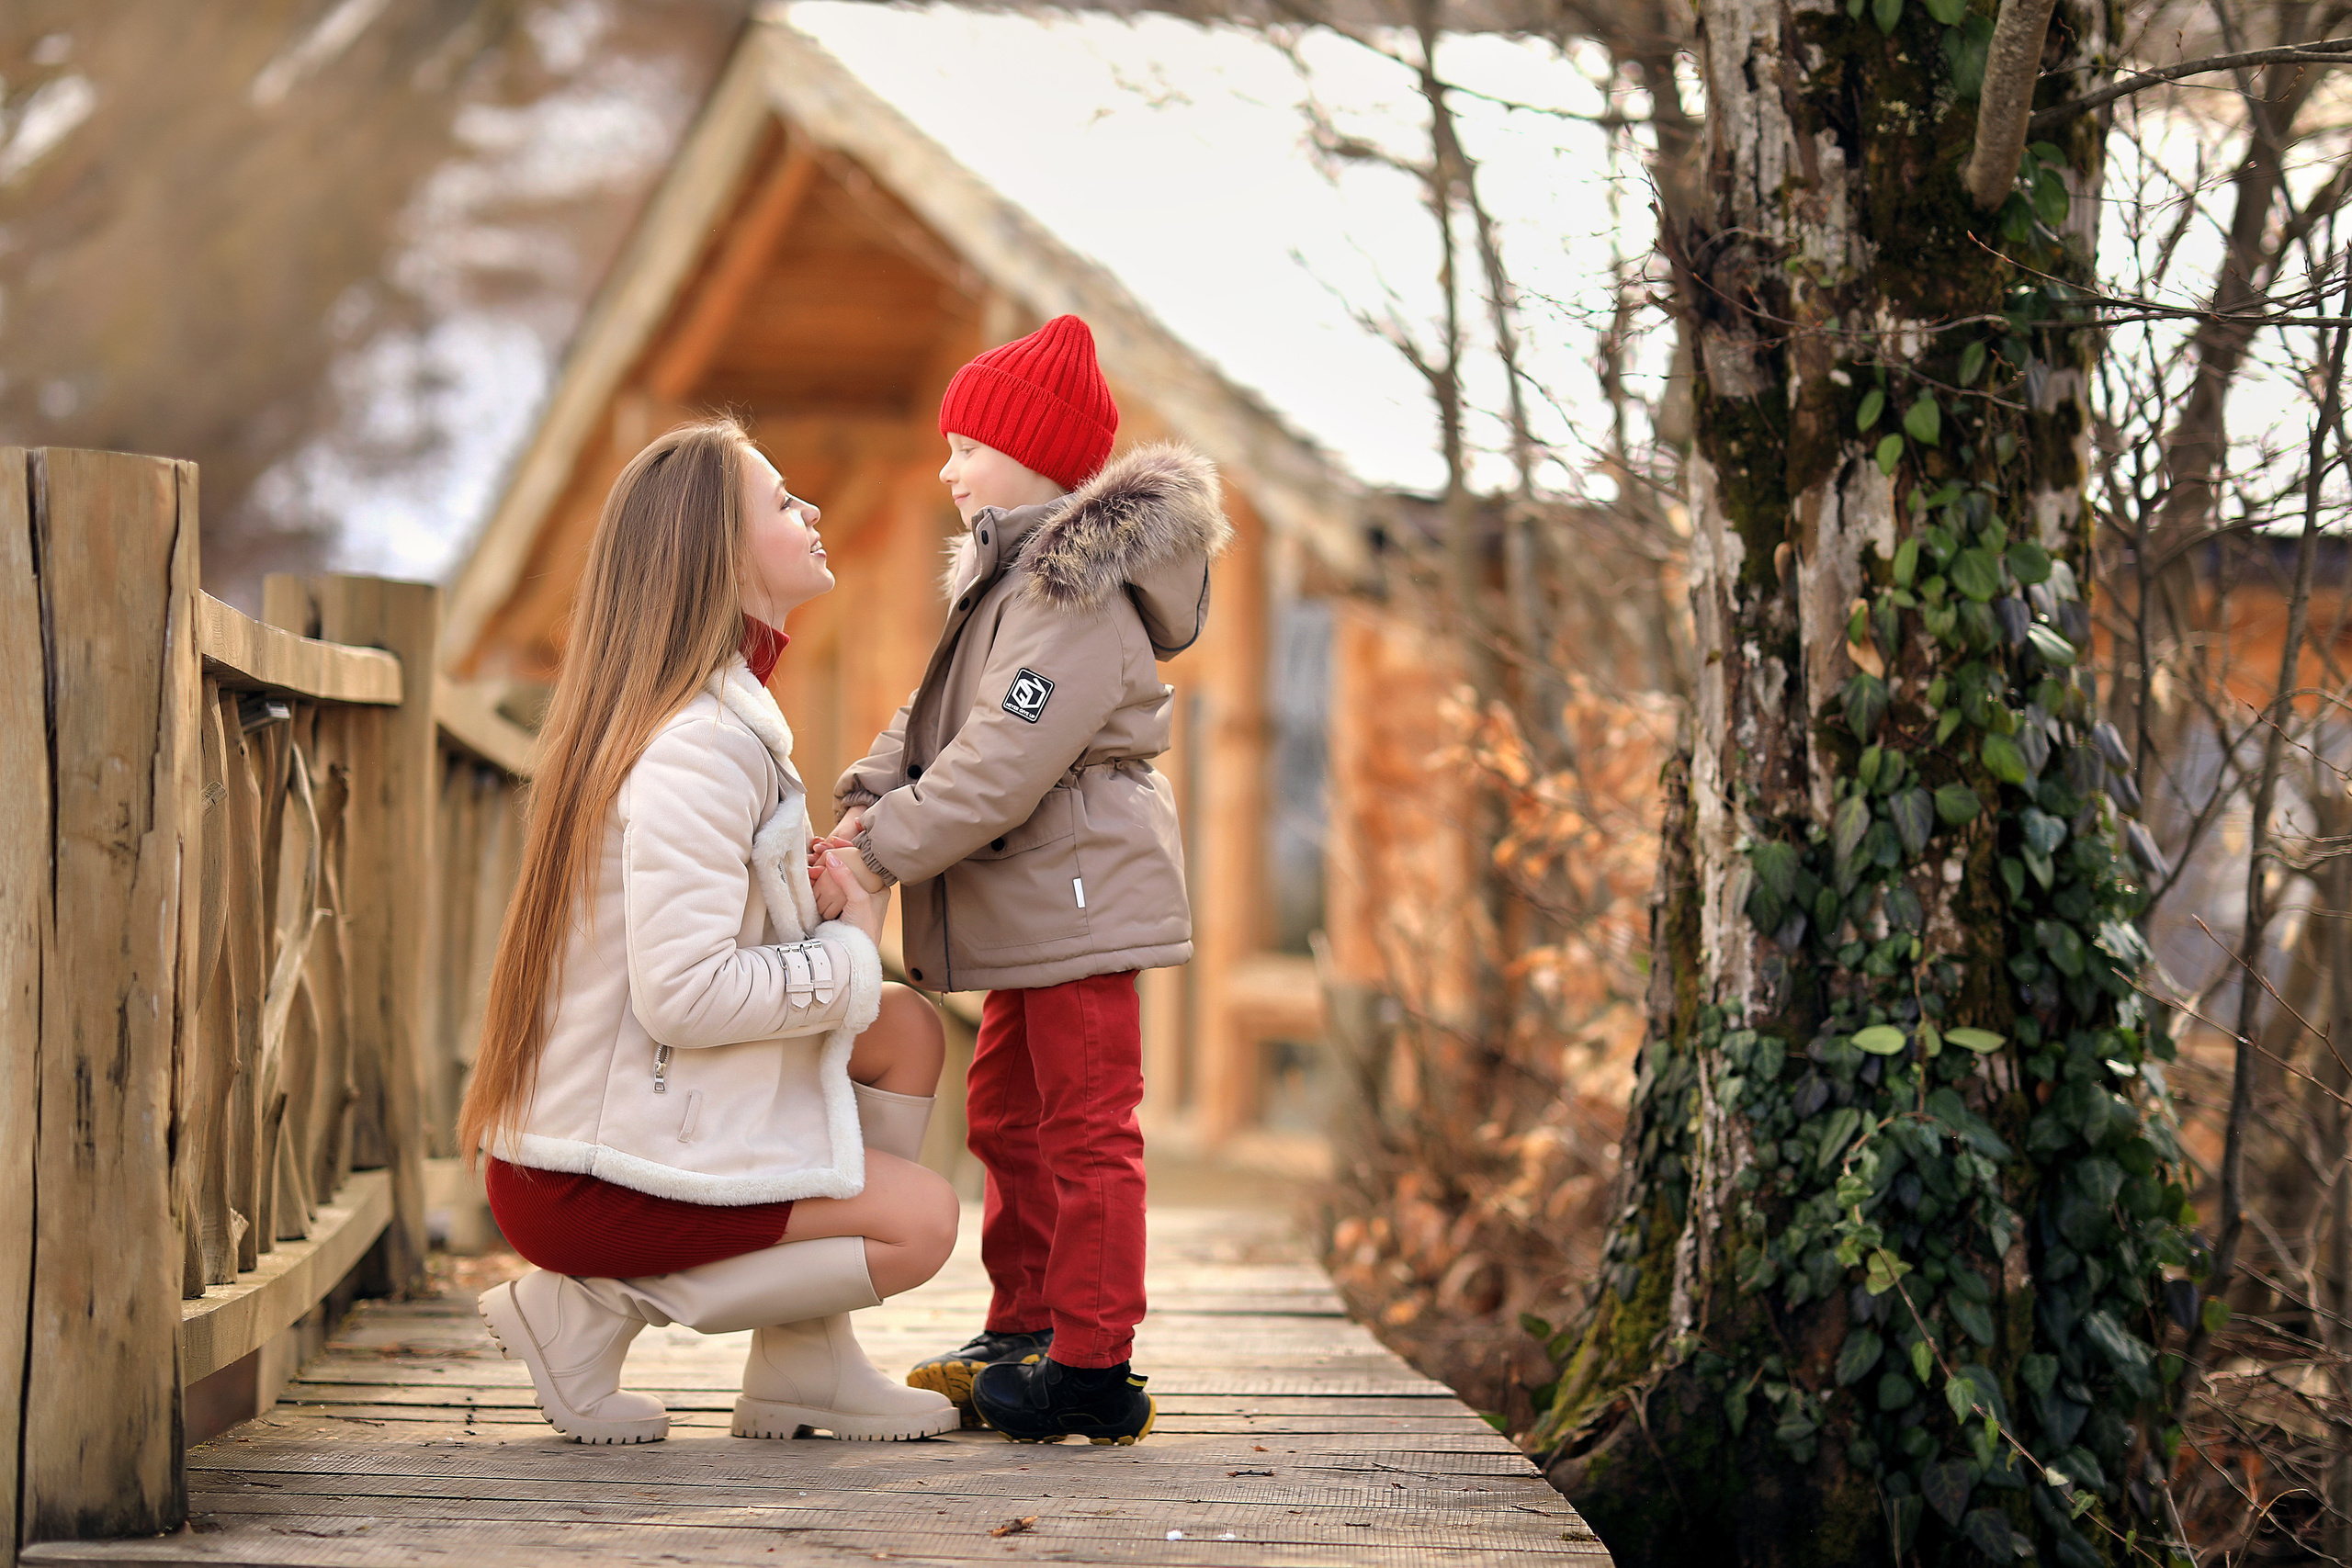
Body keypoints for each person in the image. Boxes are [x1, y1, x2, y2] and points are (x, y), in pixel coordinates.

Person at [457, 416, 960, 1446]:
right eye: (782, 502)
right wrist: (848, 946)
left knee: (905, 1034)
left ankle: (805, 1366)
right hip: (589, 1176)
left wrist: (805, 907)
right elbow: (683, 994)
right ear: (716, 555)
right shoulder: (697, 744)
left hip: (647, 1107)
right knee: (921, 1220)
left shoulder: (716, 716)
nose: (811, 511)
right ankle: (586, 1307)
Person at [824, 315, 1230, 1446]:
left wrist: (874, 851)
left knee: (1084, 1126)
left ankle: (1093, 1364)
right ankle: (1025, 1325)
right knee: (1006, 1115)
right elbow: (936, 712)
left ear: (1036, 455)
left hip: (1080, 903)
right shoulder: (1007, 584)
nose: (946, 468)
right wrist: (870, 785)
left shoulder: (1071, 597)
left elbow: (1005, 756)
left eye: (967, 445)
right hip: (1035, 905)